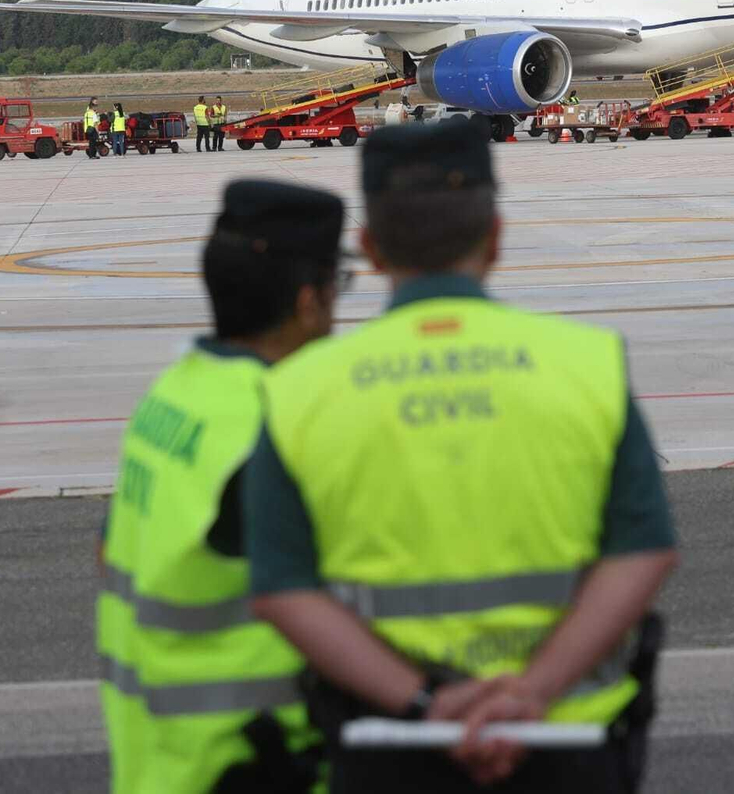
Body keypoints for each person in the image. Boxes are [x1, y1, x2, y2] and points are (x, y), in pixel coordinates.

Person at [246, 119, 678, 793]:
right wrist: (532, 693)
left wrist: (427, 704)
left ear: (369, 249)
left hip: (388, 746)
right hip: (565, 742)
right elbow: (644, 550)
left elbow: (281, 589)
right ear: (497, 237)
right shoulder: (586, 366)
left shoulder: (300, 390)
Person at [99, 179, 347, 794]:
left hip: (155, 760)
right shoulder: (272, 427)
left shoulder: (170, 398)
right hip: (245, 763)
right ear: (309, 302)